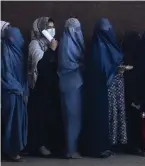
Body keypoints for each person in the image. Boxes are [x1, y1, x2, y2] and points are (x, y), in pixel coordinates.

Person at [83, 18, 127, 158]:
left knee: (106, 117)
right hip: (99, 87)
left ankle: (105, 145)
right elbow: (99, 68)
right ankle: (98, 148)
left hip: (109, 87)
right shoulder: (96, 47)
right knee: (99, 117)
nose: (106, 32)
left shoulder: (106, 45)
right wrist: (114, 69)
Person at [27, 17, 62, 156]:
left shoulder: (50, 44)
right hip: (39, 87)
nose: (51, 30)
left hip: (51, 86)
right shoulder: (35, 44)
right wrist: (52, 50)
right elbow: (40, 65)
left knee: (51, 117)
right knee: (40, 117)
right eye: (48, 28)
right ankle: (40, 145)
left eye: (52, 27)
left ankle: (49, 144)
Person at [58, 18, 84, 159]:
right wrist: (80, 65)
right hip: (69, 84)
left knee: (74, 117)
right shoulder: (66, 43)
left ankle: (72, 147)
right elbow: (66, 63)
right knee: (71, 117)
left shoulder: (72, 41)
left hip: (74, 83)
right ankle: (71, 149)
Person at [1, 27, 28, 162]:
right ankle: (10, 150)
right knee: (11, 122)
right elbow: (4, 76)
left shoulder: (20, 53)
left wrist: (23, 89)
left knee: (18, 121)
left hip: (21, 93)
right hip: (10, 93)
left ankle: (16, 148)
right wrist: (17, 88)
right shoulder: (4, 55)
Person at [121, 31, 143, 153]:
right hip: (132, 94)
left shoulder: (125, 55)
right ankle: (133, 145)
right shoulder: (134, 57)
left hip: (128, 94)